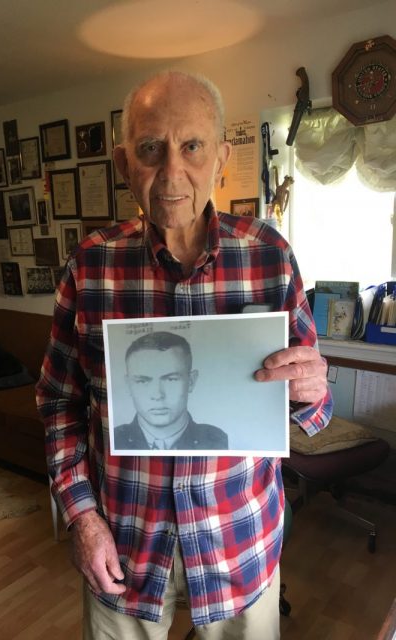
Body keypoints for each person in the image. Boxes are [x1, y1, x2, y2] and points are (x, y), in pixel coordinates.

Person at [36, 70, 332, 640]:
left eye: (192, 146)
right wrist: (81, 517)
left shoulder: (269, 256)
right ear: (125, 164)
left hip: (238, 542)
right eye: (151, 149)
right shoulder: (91, 265)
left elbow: (311, 411)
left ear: (221, 157)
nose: (172, 172)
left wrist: (313, 389)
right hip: (121, 548)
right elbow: (57, 401)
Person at [114, 331, 229, 451]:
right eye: (142, 381)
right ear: (128, 385)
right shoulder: (113, 440)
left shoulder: (218, 441)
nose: (157, 395)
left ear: (191, 381)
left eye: (171, 379)